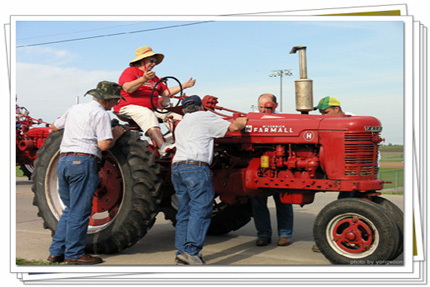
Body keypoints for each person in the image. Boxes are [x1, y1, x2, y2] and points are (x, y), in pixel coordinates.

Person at [47, 81, 126, 265]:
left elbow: (54, 127)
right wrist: (116, 134)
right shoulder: (101, 114)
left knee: (70, 209)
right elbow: (104, 145)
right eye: (115, 100)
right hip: (83, 162)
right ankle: (74, 254)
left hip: (64, 161)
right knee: (81, 212)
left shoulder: (75, 109)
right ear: (108, 100)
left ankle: (56, 251)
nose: (115, 104)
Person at [171, 95, 247, 265]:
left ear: (183, 110)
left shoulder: (181, 123)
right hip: (196, 167)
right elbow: (235, 127)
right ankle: (191, 252)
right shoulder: (205, 116)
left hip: (177, 168)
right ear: (200, 107)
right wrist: (244, 119)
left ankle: (181, 251)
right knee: (201, 209)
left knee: (184, 211)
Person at [114, 46, 196, 157]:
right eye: (151, 61)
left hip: (152, 108)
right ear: (142, 60)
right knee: (146, 114)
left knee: (175, 117)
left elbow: (165, 92)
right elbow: (127, 88)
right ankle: (163, 147)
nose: (154, 64)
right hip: (128, 106)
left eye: (155, 62)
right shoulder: (130, 71)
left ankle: (174, 141)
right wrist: (143, 79)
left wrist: (184, 86)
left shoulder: (154, 77)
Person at [250, 93, 294, 247]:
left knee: (284, 201)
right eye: (260, 107)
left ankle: (285, 234)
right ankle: (263, 233)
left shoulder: (284, 121)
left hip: (280, 167)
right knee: (257, 202)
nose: (263, 110)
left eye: (266, 107)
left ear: (275, 106)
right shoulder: (252, 120)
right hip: (260, 165)